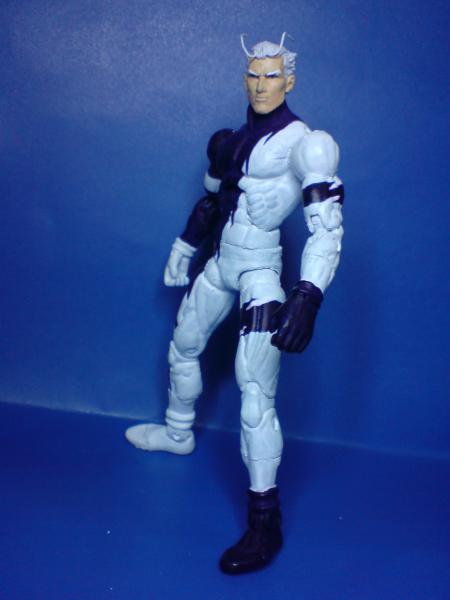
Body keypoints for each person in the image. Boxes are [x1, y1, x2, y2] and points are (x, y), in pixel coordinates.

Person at [125, 33, 344, 574]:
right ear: (243, 79)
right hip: (222, 261)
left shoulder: (306, 144)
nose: (261, 84)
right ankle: (178, 432)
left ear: (289, 81)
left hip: (261, 272)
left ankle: (264, 520)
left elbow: (326, 228)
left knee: (255, 390)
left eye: (272, 75)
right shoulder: (227, 142)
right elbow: (212, 202)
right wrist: (184, 246)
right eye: (253, 74)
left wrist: (308, 295)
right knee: (183, 344)